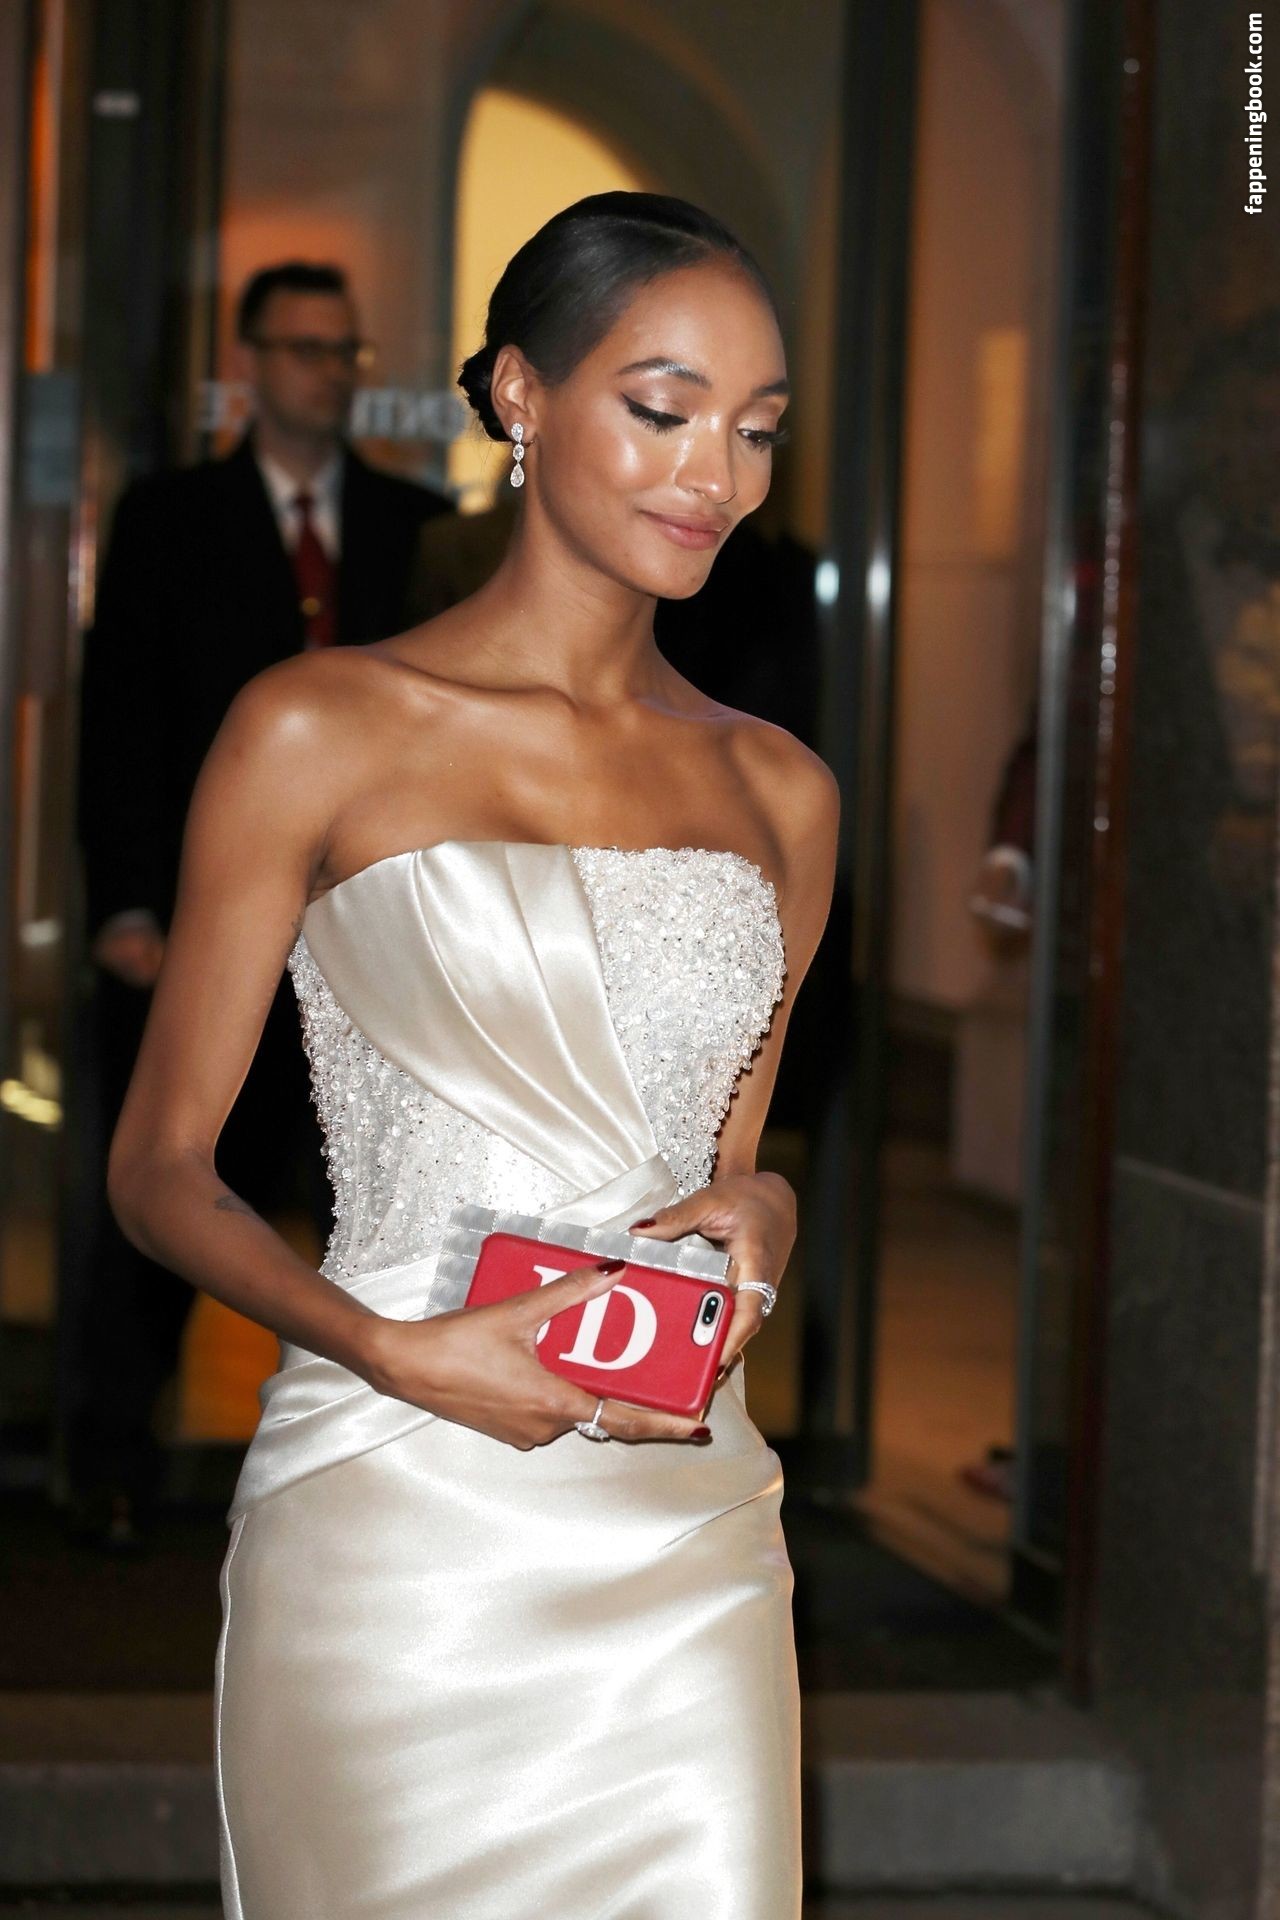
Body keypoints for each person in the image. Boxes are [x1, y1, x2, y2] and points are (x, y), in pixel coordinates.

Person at [107, 193, 837, 1917]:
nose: (715, 476)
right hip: (398, 1518)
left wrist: (770, 1209)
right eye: (663, 410)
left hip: (682, 1530)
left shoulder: (780, 791)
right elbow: (157, 1170)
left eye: (755, 430)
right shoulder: (316, 727)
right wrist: (386, 1347)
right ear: (521, 392)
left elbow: (729, 1162)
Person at [69, 262, 453, 1546]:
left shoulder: (416, 527)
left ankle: (382, 1471)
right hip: (204, 928)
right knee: (166, 1197)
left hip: (374, 947)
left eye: (344, 351)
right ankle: (112, 1468)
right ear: (249, 362)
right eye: (301, 349)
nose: (326, 374)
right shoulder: (170, 518)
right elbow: (122, 723)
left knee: (370, 1214)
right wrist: (128, 905)